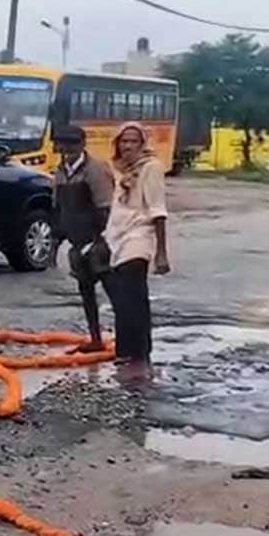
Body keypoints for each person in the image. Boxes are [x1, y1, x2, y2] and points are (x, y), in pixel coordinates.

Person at [103, 122, 171, 375]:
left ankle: (140, 353)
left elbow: (158, 210)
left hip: (139, 236)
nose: (128, 146)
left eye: (133, 141)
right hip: (117, 237)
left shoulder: (151, 168)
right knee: (121, 299)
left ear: (142, 144)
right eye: (124, 141)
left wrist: (161, 253)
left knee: (134, 298)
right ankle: (124, 352)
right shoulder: (119, 169)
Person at [49, 124, 115, 352]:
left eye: (72, 144)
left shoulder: (96, 170)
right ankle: (95, 339)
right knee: (86, 294)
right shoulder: (60, 171)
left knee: (114, 293)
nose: (67, 149)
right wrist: (57, 242)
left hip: (98, 240)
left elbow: (106, 207)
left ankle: (129, 344)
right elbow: (58, 208)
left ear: (82, 144)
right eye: (63, 144)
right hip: (77, 242)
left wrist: (100, 240)